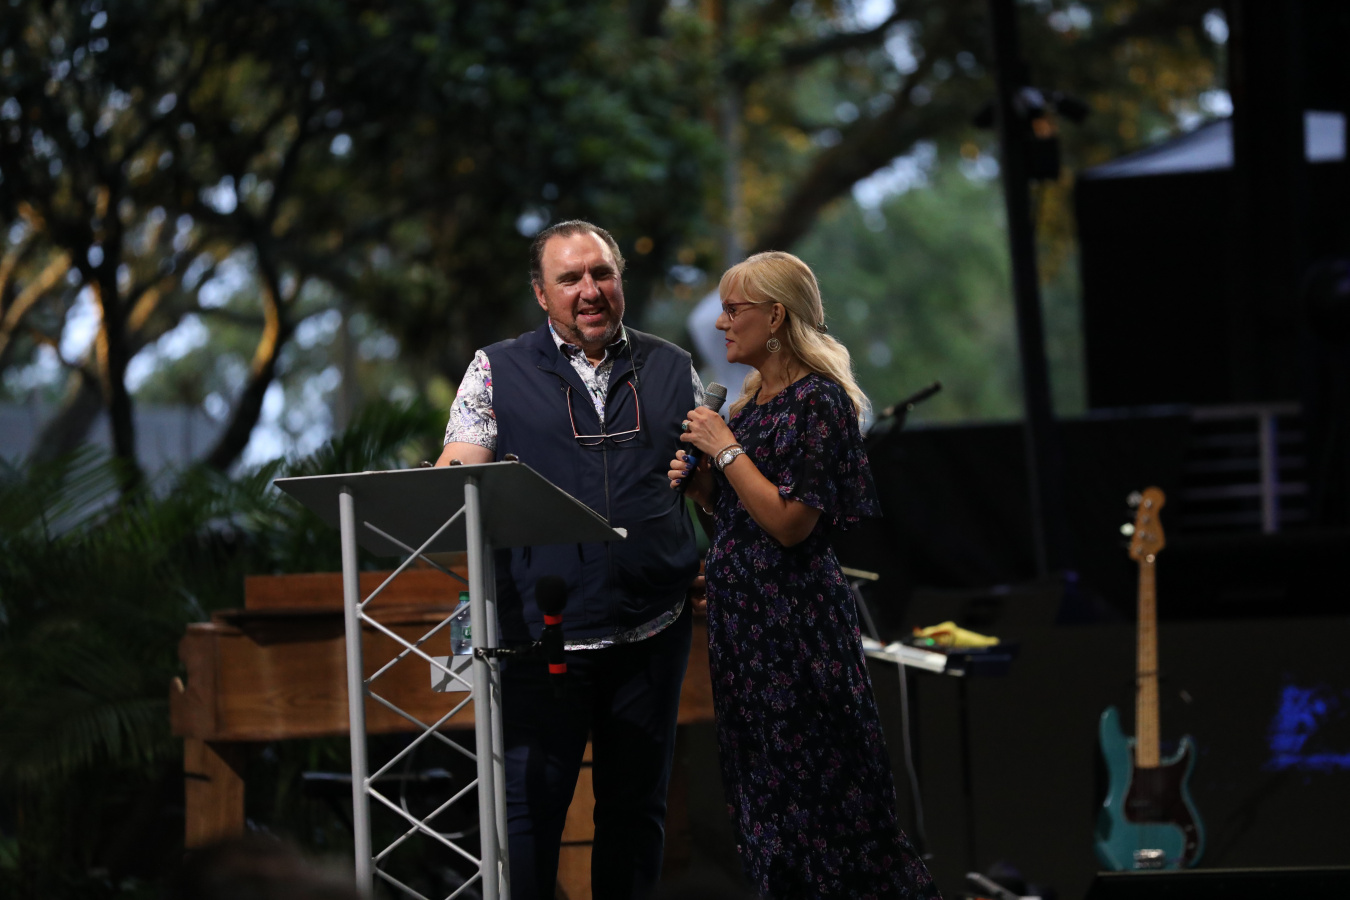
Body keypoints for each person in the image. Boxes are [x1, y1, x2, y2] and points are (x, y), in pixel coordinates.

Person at [436, 220, 703, 900]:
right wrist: (454, 472)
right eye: (570, 278)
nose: (589, 290)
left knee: (636, 814)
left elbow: (705, 480)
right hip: (540, 639)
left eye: (601, 274)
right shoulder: (494, 368)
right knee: (528, 816)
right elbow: (455, 476)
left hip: (651, 632)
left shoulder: (674, 366)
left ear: (620, 281)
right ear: (541, 294)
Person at [669, 251, 942, 899]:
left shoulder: (819, 402)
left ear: (775, 316)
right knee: (768, 810)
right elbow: (744, 523)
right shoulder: (749, 405)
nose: (721, 324)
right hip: (744, 636)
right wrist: (705, 490)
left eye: (733, 310)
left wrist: (724, 451)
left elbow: (791, 525)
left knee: (825, 803)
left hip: (795, 635)